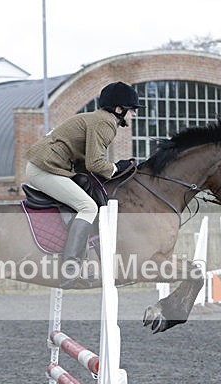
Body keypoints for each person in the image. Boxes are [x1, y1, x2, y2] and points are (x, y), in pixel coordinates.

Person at [25, 81, 142, 286]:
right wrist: (116, 168)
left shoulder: (97, 118)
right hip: (45, 169)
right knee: (88, 207)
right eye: (132, 110)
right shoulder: (106, 123)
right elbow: (95, 163)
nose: (134, 114)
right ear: (118, 109)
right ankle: (70, 269)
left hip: (50, 166)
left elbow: (86, 163)